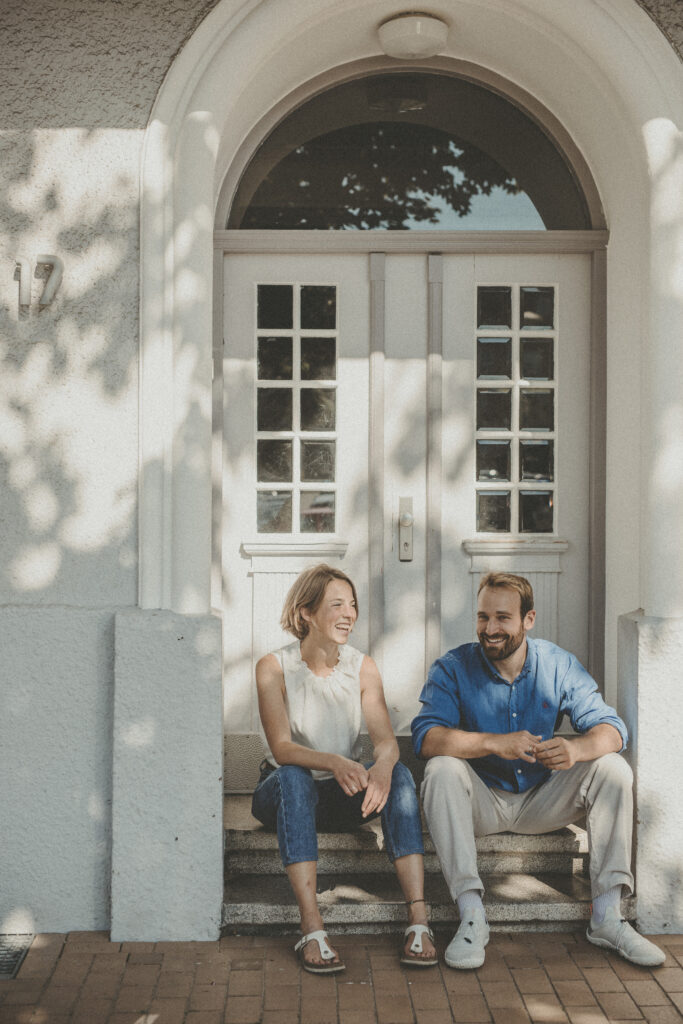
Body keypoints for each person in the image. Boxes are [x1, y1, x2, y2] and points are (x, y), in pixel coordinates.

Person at [411, 571, 665, 971]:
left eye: (502, 618)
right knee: (441, 769)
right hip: (482, 802)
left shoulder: (558, 664)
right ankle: (472, 913)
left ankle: (607, 916)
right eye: (482, 618)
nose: (490, 629)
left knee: (612, 769)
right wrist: (496, 742)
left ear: (528, 620)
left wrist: (575, 748)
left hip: (542, 800)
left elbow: (614, 730)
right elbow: (426, 738)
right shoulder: (453, 667)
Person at [252, 563, 437, 974]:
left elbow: (386, 742)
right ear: (306, 613)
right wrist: (336, 762)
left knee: (402, 775)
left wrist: (384, 767)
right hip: (281, 793)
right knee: (296, 777)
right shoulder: (273, 667)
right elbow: (283, 749)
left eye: (352, 604)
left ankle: (419, 919)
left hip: (337, 797)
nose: (350, 613)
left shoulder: (362, 666)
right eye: (337, 604)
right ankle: (311, 924)